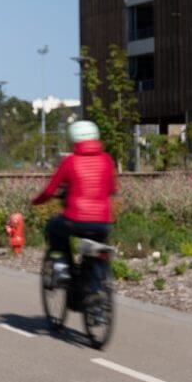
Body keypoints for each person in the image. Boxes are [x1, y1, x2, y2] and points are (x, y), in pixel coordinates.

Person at [32, 120, 117, 293]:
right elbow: (111, 189)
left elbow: (50, 190)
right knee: (97, 246)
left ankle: (62, 267)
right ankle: (98, 289)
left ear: (73, 140)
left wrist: (36, 201)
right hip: (103, 222)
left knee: (53, 227)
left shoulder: (70, 161)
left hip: (75, 220)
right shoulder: (107, 160)